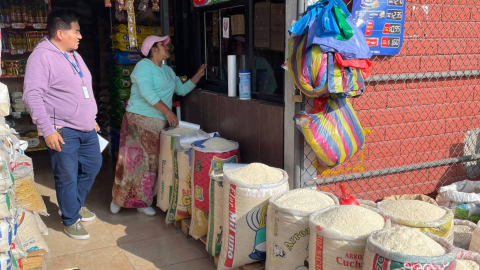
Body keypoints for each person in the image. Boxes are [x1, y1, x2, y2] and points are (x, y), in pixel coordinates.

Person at [23, 10, 101, 240]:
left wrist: (92, 119)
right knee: (66, 174)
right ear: (60, 33)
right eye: (76, 31)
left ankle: (73, 204)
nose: (80, 36)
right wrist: (47, 130)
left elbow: (82, 88)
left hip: (87, 127)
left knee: (92, 166)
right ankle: (70, 218)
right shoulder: (42, 56)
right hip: (62, 128)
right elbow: (32, 96)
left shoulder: (73, 54)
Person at [110, 35, 206, 216]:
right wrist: (167, 111)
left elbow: (181, 90)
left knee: (150, 165)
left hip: (156, 125)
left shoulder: (168, 71)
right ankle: (118, 199)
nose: (167, 48)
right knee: (131, 162)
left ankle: (142, 201)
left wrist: (197, 76)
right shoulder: (143, 67)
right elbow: (147, 92)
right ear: (153, 49)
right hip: (138, 120)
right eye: (163, 45)